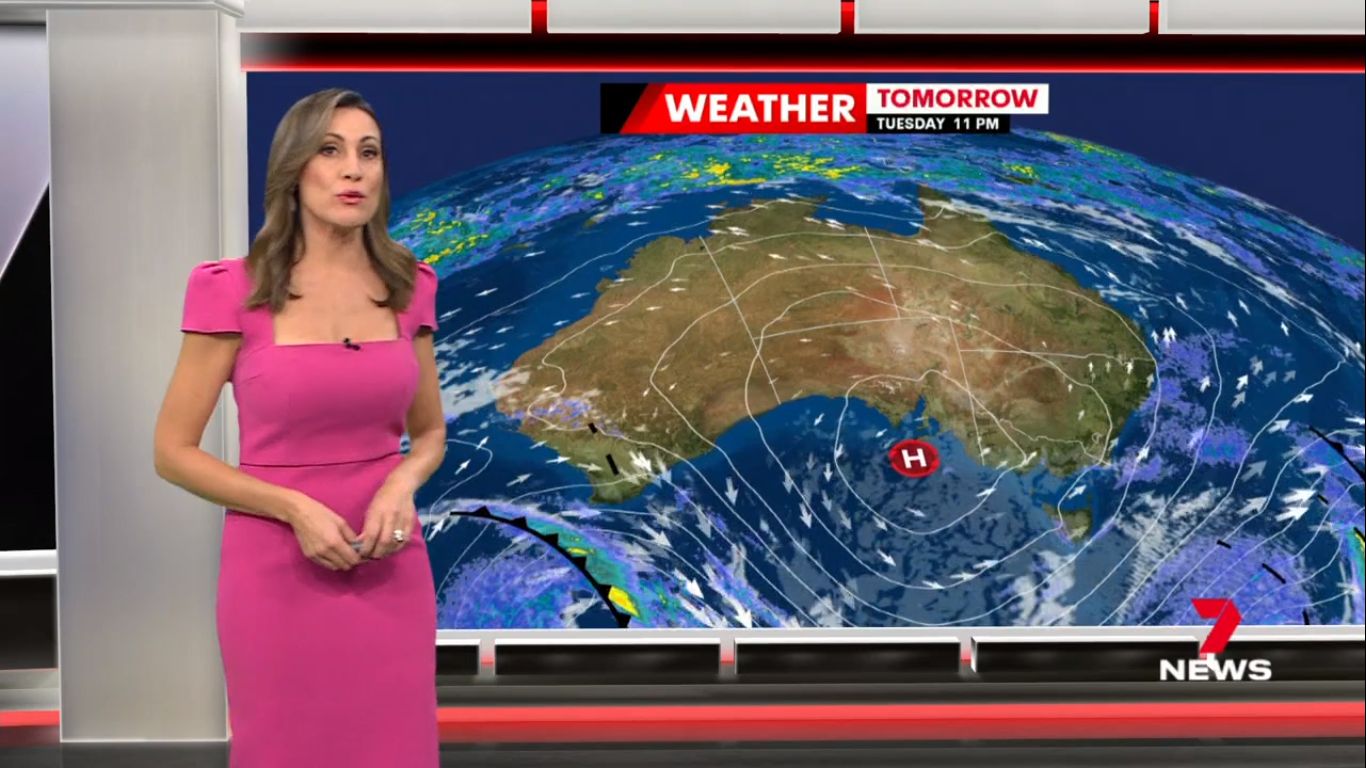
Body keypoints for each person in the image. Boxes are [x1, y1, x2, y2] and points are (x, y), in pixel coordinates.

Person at [153, 88, 444, 767]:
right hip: (275, 570)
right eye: (330, 151)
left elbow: (430, 433)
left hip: (388, 562)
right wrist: (295, 508)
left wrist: (400, 484)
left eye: (369, 153)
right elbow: (172, 451)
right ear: (293, 169)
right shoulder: (233, 289)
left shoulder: (409, 286)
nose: (353, 170)